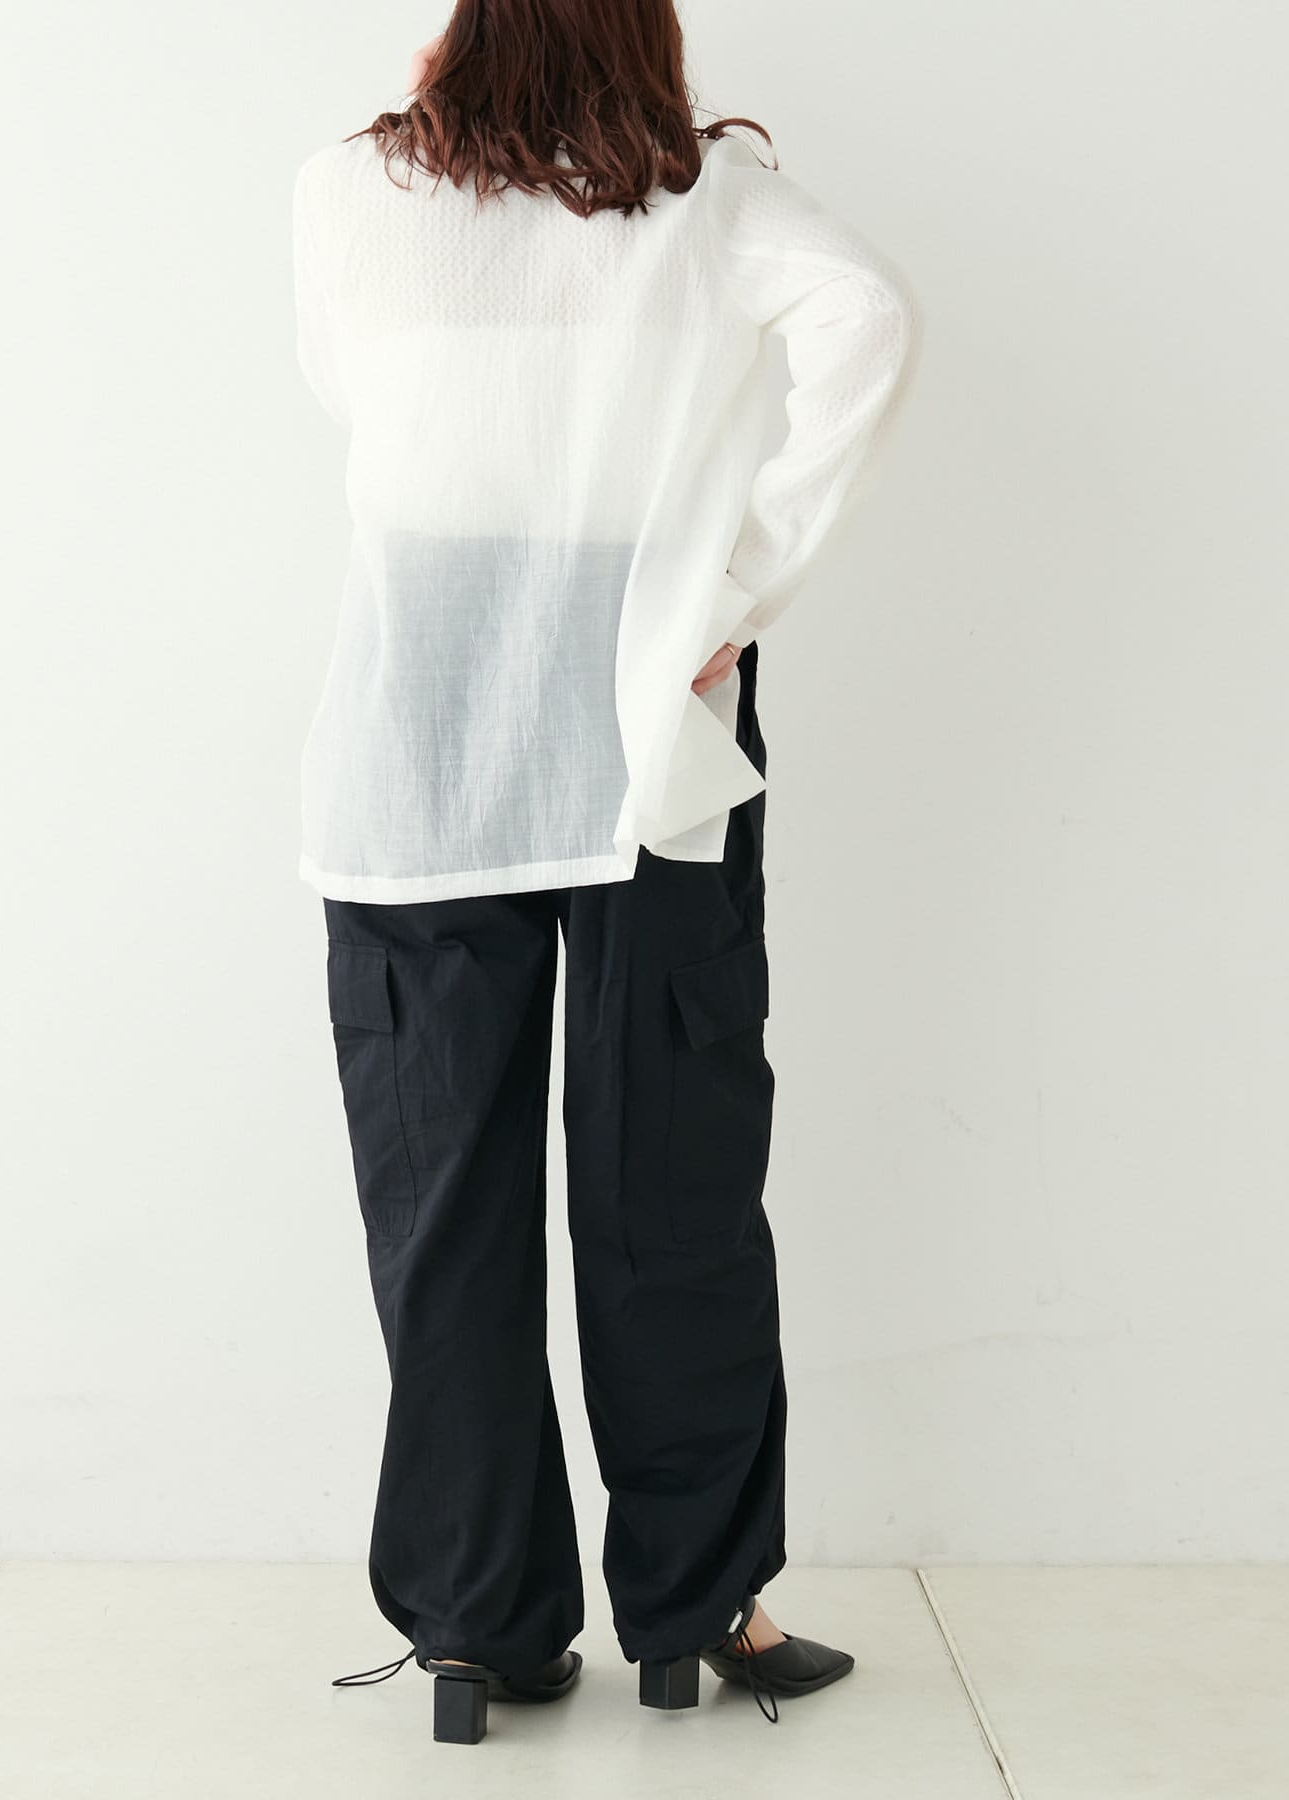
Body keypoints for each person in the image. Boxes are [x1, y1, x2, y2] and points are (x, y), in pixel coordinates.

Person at [294, 0, 922, 1744]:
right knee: (674, 1177)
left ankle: (475, 1629)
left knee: (444, 1202)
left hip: (423, 725)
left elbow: (360, 398)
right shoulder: (709, 196)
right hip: (649, 715)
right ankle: (699, 1604)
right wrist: (733, 587)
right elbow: (872, 318)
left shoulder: (347, 190)